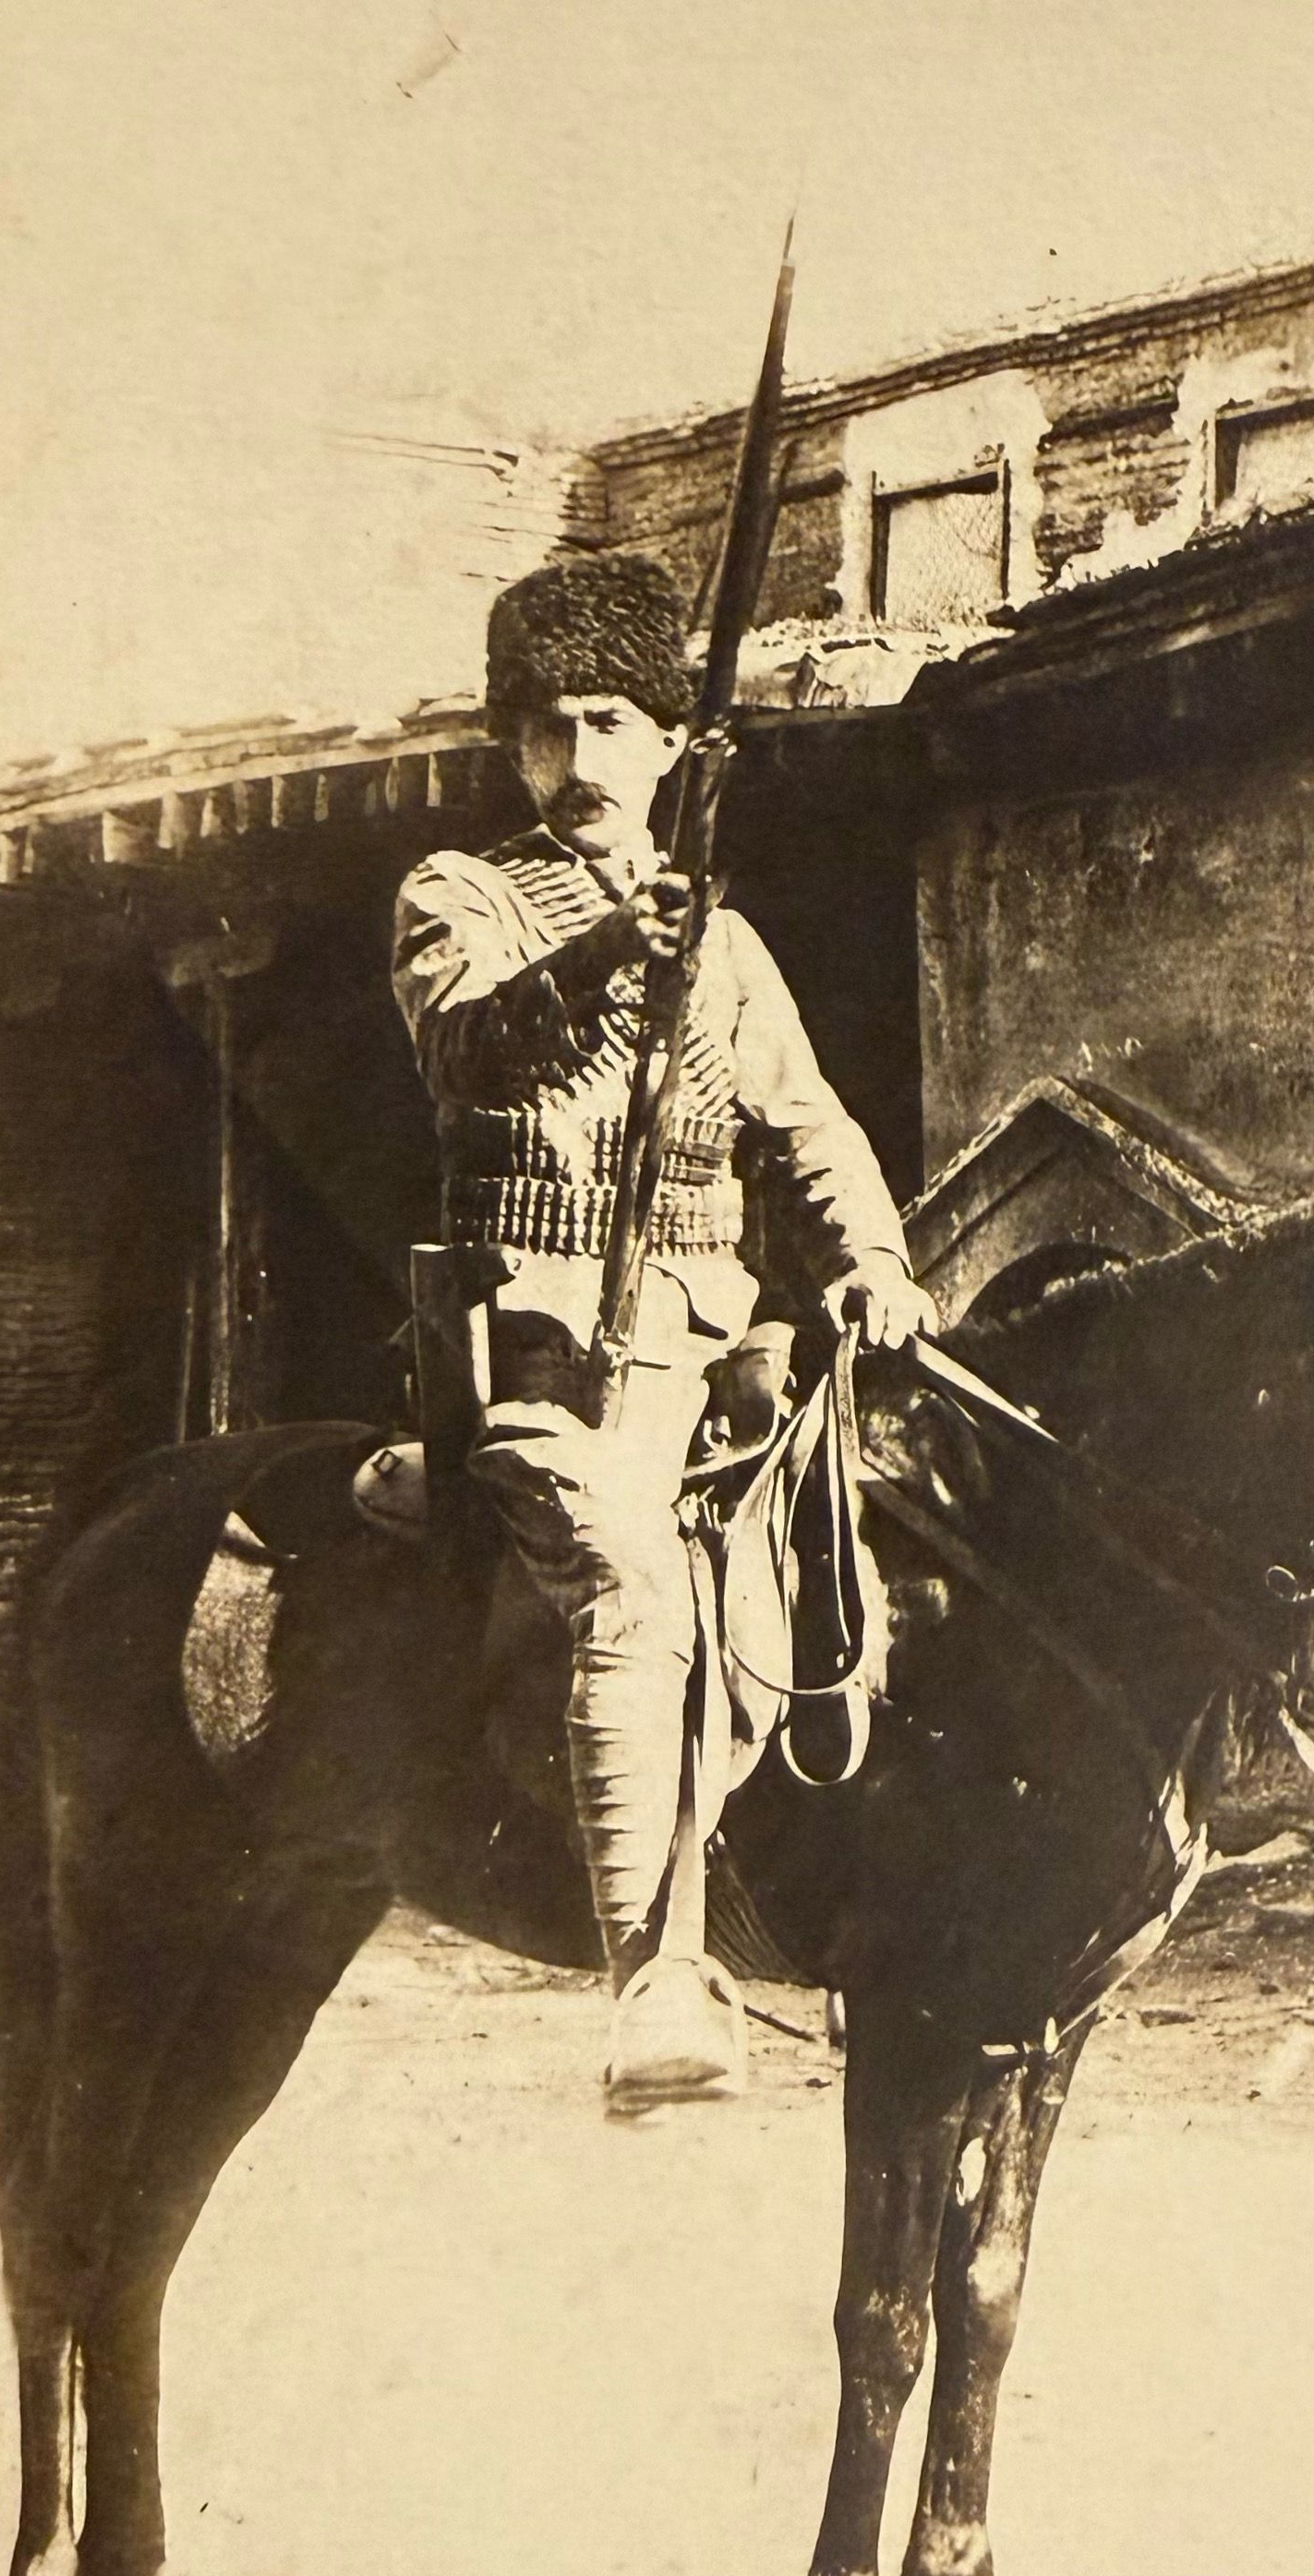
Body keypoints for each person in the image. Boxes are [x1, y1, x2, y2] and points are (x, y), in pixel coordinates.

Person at [391, 552, 935, 2107]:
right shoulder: (460, 896)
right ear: (512, 743)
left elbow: (810, 1134)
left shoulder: (732, 951)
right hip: (539, 1360)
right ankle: (654, 1978)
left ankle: (865, 1921)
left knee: (883, 1554)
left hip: (711, 1358)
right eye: (546, 727)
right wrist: (613, 953)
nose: (577, 758)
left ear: (672, 744)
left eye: (611, 723)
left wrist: (870, 1262)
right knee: (630, 1585)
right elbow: (469, 1052)